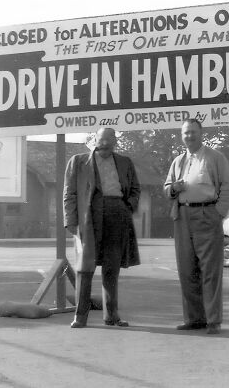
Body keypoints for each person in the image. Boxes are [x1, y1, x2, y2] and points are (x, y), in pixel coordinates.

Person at [164, 119, 229, 335]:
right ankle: (194, 319)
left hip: (207, 214)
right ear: (181, 135)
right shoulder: (178, 161)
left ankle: (213, 321)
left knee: (210, 271)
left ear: (201, 134)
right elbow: (166, 187)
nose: (189, 137)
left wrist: (218, 212)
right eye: (186, 133)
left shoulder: (215, 157)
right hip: (182, 215)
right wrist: (173, 189)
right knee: (187, 269)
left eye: (193, 133)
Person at [63, 127, 141, 328]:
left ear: (115, 140)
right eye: (101, 139)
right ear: (94, 140)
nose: (104, 143)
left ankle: (112, 316)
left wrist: (127, 206)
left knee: (112, 268)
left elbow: (135, 189)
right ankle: (80, 317)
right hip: (89, 216)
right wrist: (71, 222)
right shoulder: (78, 162)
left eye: (109, 139)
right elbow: (69, 193)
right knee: (85, 268)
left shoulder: (125, 162)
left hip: (117, 213)